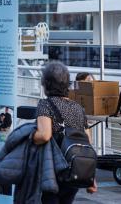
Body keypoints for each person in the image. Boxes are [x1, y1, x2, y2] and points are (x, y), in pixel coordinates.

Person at [33, 62, 97, 203]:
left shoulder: (45, 105)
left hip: (53, 170)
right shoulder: (78, 107)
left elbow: (44, 135)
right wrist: (92, 178)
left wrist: (30, 137)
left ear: (47, 84)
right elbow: (87, 141)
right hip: (73, 170)